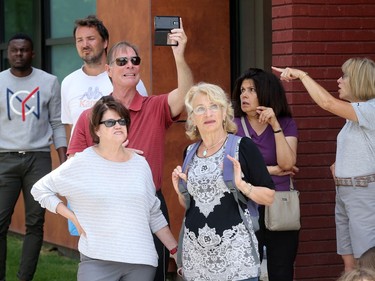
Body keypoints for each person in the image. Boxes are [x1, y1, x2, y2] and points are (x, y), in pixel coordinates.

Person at [67, 19, 193, 281]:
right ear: (108, 70)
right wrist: (114, 157)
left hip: (150, 205)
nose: (130, 66)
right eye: (122, 62)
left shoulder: (155, 106)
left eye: (135, 61)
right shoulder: (89, 117)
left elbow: (185, 93)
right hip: (104, 208)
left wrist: (179, 56)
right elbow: (73, 168)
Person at [31, 96, 178, 281]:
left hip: (141, 262)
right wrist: (72, 217)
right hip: (97, 260)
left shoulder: (141, 164)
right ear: (96, 129)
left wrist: (175, 250)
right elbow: (40, 189)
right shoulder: (82, 162)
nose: (118, 125)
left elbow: (154, 214)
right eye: (110, 122)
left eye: (121, 121)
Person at [273, 58, 375, 272]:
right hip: (346, 192)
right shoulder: (354, 115)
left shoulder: (371, 109)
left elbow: (327, 103)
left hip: (364, 194)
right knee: (349, 264)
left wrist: (302, 75)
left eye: (344, 76)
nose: (338, 80)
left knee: (367, 265)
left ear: (358, 80)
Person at [171, 82, 275, 281]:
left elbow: (269, 196)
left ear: (224, 112)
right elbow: (190, 206)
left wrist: (243, 185)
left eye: (214, 106)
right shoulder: (189, 153)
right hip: (197, 261)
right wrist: (179, 192)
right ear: (192, 117)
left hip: (236, 260)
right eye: (200, 109)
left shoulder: (243, 146)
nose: (208, 113)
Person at [0, 33, 67, 281]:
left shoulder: (48, 82)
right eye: (15, 50)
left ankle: (24, 278)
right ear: (8, 53)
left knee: (35, 224)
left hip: (38, 159)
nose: (19, 54)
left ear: (32, 53)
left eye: (24, 50)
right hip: (4, 159)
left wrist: (63, 162)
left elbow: (57, 123)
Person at [231, 68, 299, 281]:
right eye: (242, 90)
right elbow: (232, 168)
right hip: (244, 204)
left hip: (280, 203)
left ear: (267, 92)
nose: (244, 95)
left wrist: (275, 125)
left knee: (281, 269)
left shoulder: (285, 122)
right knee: (247, 269)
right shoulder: (233, 125)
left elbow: (288, 162)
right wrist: (272, 170)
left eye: (251, 90)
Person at [61, 15, 147, 130]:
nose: (85, 45)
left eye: (91, 38)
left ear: (105, 42)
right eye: (79, 40)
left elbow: (142, 121)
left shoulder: (128, 78)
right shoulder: (68, 82)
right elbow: (71, 126)